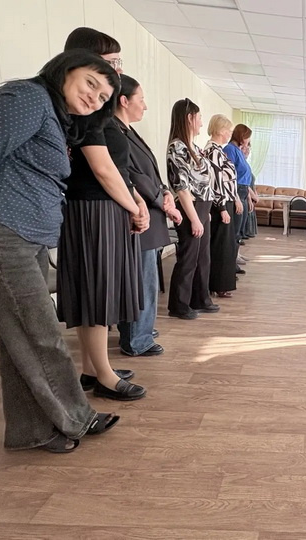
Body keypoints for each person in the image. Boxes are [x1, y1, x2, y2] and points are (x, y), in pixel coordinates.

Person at [0, 50, 123, 452]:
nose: (95, 98)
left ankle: (34, 432)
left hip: (19, 238)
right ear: (65, 70)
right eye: (91, 83)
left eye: (103, 97)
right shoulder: (27, 98)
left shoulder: (53, 115)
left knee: (21, 340)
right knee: (41, 336)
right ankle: (77, 418)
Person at [57, 28, 147, 401]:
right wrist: (135, 206)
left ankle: (92, 369)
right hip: (93, 210)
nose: (117, 70)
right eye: (111, 62)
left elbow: (119, 171)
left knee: (95, 292)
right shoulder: (88, 111)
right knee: (96, 294)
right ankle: (104, 375)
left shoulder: (99, 110)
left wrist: (135, 200)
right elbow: (104, 170)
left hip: (101, 208)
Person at [114, 75, 182, 357]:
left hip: (151, 213)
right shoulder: (114, 132)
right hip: (139, 217)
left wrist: (165, 192)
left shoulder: (128, 131)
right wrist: (163, 202)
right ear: (124, 100)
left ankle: (140, 329)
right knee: (142, 282)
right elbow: (132, 176)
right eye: (141, 100)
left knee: (145, 279)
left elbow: (151, 172)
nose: (145, 106)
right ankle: (137, 339)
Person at [167, 98, 219, 320]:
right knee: (189, 257)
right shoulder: (177, 148)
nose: (201, 123)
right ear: (189, 118)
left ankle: (200, 298)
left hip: (202, 207)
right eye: (199, 118)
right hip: (190, 207)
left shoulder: (195, 148)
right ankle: (179, 304)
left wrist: (205, 212)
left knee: (203, 257)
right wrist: (195, 218)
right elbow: (182, 188)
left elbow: (203, 182)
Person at [204, 114, 239, 298]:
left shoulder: (218, 150)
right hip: (221, 205)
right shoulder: (213, 151)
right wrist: (222, 208)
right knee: (221, 247)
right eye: (228, 131)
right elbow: (216, 182)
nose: (230, 134)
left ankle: (219, 284)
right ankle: (217, 284)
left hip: (226, 202)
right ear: (220, 130)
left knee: (226, 246)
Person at [225, 124, 253, 246]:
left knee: (240, 226)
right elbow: (228, 175)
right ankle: (232, 253)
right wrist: (236, 197)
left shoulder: (238, 150)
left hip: (243, 191)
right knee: (235, 227)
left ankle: (236, 251)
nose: (248, 141)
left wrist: (248, 196)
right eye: (247, 138)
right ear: (241, 136)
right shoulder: (230, 149)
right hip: (237, 190)